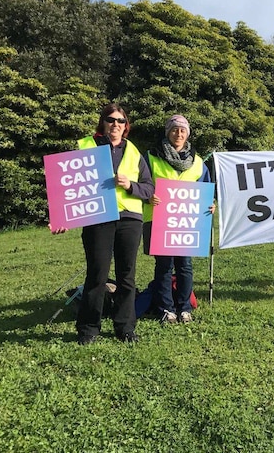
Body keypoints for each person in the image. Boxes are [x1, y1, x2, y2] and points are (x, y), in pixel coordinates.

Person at [54, 103, 154, 345]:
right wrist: (62, 217)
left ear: (126, 126)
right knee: (97, 274)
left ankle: (125, 327)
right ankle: (88, 329)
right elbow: (69, 185)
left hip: (129, 218)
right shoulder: (85, 147)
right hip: (98, 217)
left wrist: (130, 185)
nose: (115, 125)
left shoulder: (134, 152)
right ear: (103, 123)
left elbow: (149, 188)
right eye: (111, 120)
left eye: (120, 121)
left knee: (126, 276)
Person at [143, 115, 215, 325]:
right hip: (159, 220)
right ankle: (166, 309)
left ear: (188, 134)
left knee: (185, 265)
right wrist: (148, 195)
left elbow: (205, 190)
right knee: (164, 266)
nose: (179, 134)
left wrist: (210, 204)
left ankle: (184, 308)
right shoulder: (151, 157)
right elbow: (141, 184)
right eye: (175, 130)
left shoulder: (198, 162)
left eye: (183, 130)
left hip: (187, 223)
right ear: (168, 132)